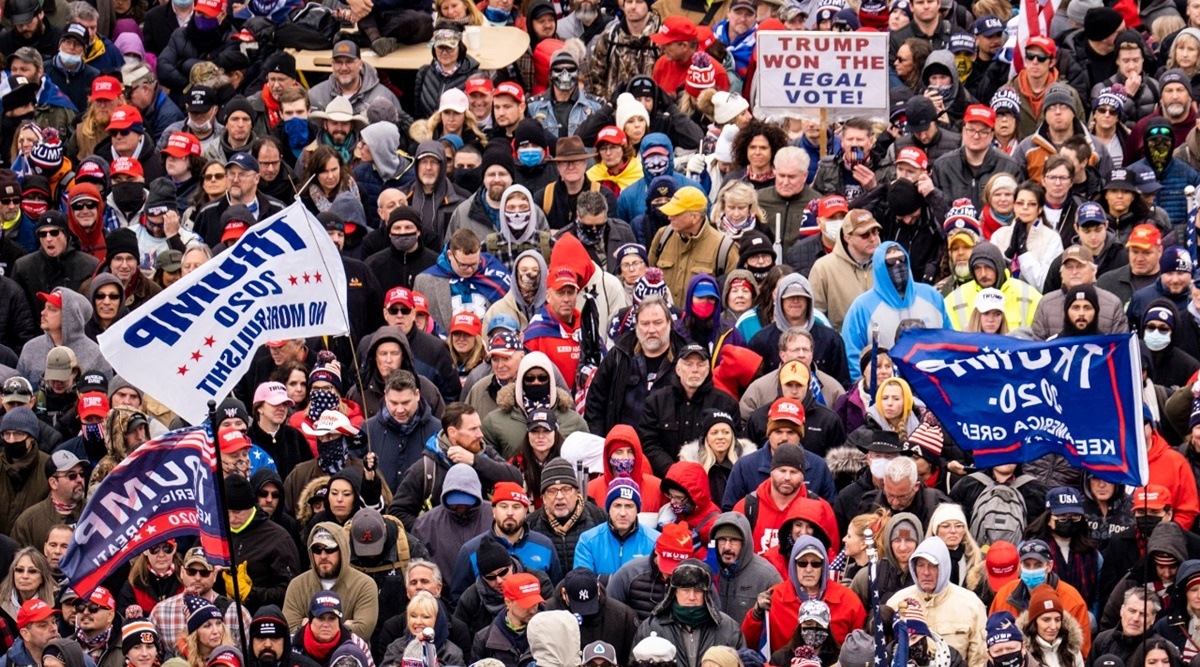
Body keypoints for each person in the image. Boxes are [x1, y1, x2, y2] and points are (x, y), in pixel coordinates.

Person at [842, 242, 951, 382]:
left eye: (902, 260)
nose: (898, 265)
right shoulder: (862, 307)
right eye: (891, 262)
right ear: (881, 267)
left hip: (931, 385)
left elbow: (949, 340)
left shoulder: (932, 296)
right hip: (885, 393)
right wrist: (867, 390)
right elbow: (852, 355)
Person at [743, 535, 866, 652]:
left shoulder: (848, 600)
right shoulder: (775, 597)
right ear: (793, 565)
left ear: (824, 566)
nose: (808, 569)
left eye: (815, 564)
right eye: (802, 563)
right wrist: (756, 615)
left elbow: (862, 647)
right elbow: (748, 644)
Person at [639, 344, 739, 477]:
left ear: (708, 369)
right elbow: (648, 443)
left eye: (700, 364)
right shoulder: (656, 402)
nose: (695, 370)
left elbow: (734, 445)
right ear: (678, 369)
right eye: (688, 364)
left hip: (710, 478)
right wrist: (672, 471)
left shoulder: (727, 404)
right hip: (665, 479)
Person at [630, 559, 746, 667]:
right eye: (685, 590)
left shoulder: (728, 628)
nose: (692, 597)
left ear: (706, 593)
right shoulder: (651, 627)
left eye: (698, 591)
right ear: (674, 592)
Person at [281, 523, 378, 640]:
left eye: (330, 549)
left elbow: (363, 632)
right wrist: (346, 627)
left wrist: (306, 626)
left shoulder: (364, 584)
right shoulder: (297, 585)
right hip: (305, 656)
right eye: (317, 549)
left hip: (349, 655)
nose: (323, 556)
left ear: (342, 550)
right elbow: (289, 631)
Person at [219, 474, 300, 610]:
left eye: (237, 512)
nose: (232, 519)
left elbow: (291, 590)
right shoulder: (215, 532)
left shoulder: (278, 538)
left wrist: (251, 593)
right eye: (226, 512)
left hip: (262, 619)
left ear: (251, 506)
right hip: (219, 618)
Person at [542, 570, 639, 666]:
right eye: (578, 606)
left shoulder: (622, 615)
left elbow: (632, 659)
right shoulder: (548, 615)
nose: (585, 614)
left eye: (589, 604)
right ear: (564, 593)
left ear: (598, 589)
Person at [575, 479, 660, 576]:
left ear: (637, 509)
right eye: (617, 505)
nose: (623, 513)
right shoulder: (588, 541)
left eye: (629, 506)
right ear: (608, 509)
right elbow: (582, 582)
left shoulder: (655, 541)